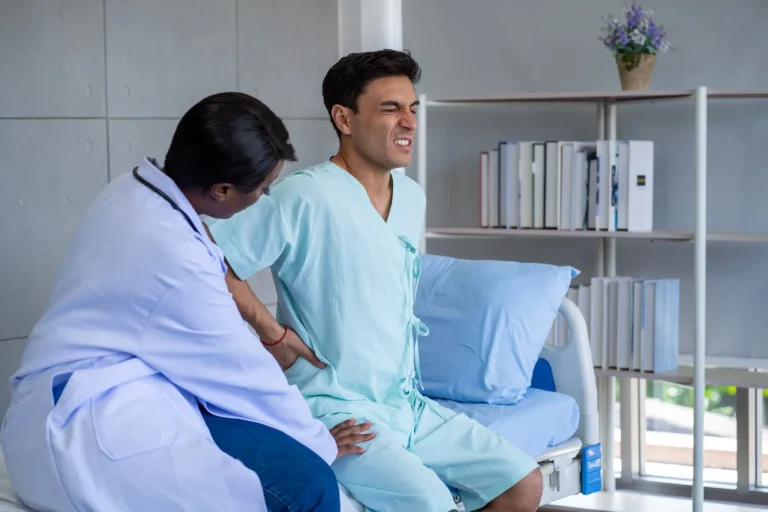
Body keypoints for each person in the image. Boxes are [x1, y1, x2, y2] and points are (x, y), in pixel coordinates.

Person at [0, 92, 372, 512]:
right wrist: (319, 440)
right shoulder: (176, 259)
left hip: (49, 402)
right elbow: (244, 373)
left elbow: (203, 264)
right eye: (263, 189)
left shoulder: (130, 190)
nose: (265, 198)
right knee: (309, 486)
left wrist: (269, 329)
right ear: (222, 190)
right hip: (84, 432)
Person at [206, 51, 544, 511]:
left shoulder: (411, 197)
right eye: (390, 108)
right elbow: (209, 256)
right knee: (431, 504)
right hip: (337, 408)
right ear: (343, 118)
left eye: (412, 109)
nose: (408, 122)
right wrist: (272, 332)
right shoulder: (304, 195)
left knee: (522, 483)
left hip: (408, 405)